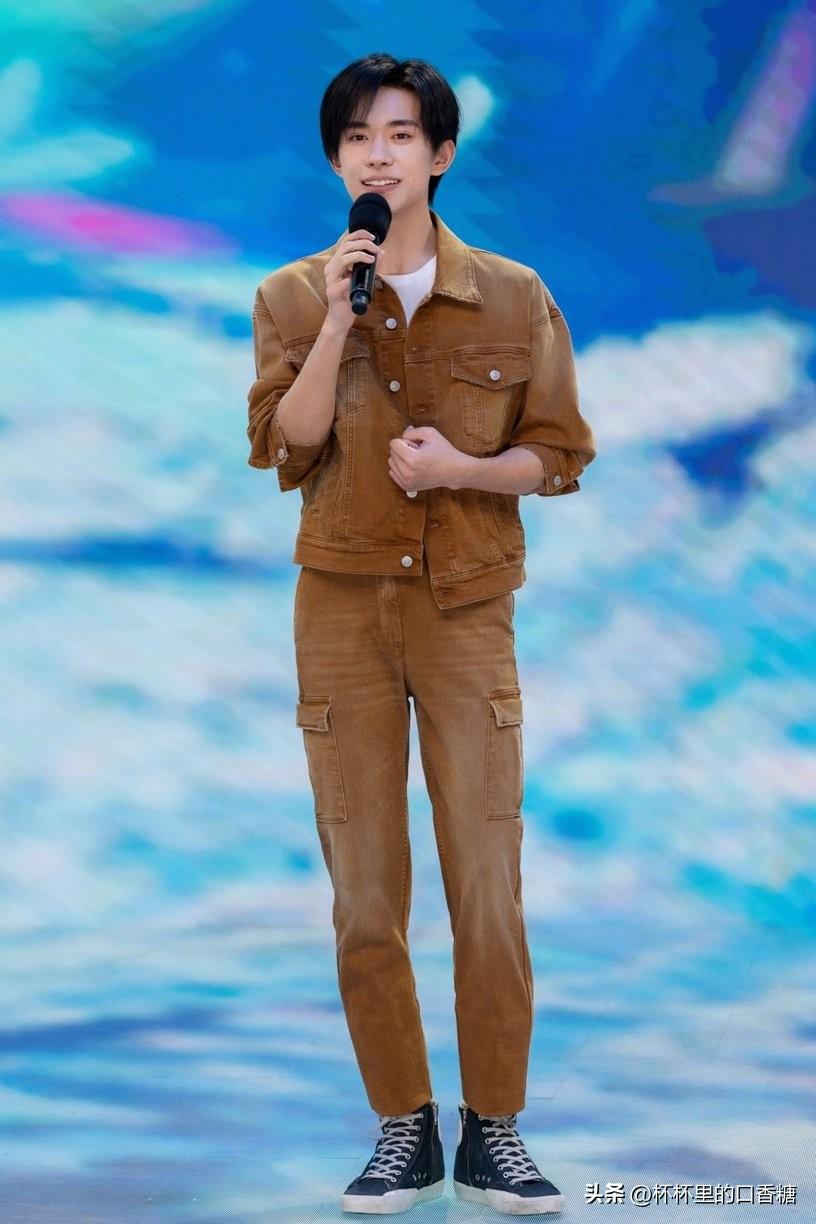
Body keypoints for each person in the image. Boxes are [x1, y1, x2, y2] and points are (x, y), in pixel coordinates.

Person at [246, 52, 596, 1216]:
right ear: (335, 159)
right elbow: (286, 446)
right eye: (357, 137)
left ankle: (497, 1129)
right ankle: (404, 1125)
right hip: (341, 610)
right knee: (364, 885)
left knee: (486, 876)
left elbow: (560, 453)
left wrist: (463, 469)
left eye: (400, 134)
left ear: (440, 154)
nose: (378, 154)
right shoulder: (292, 296)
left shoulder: (513, 294)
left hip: (465, 611)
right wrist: (337, 325)